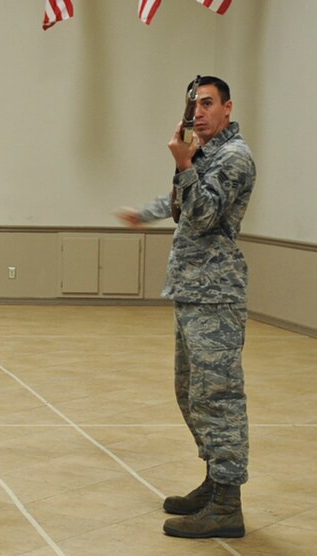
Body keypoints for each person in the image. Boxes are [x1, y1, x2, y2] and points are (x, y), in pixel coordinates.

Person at [116, 76, 254, 539]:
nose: (199, 111)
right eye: (195, 103)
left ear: (229, 108)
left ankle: (228, 504)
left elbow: (203, 214)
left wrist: (183, 163)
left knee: (219, 398)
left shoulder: (235, 158)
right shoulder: (203, 155)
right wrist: (147, 209)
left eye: (209, 103)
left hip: (217, 294)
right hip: (192, 291)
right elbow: (179, 203)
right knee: (190, 392)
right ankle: (215, 480)